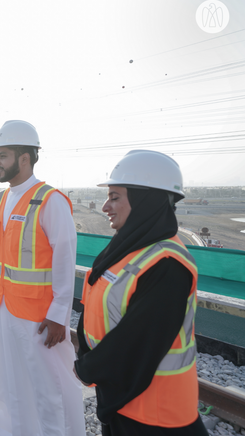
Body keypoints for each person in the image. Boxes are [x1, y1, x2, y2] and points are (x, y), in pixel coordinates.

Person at [74, 150, 208, 436]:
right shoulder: (131, 249)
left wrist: (85, 368)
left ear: (145, 201)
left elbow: (136, 343)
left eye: (114, 197)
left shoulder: (168, 265)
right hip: (122, 398)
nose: (105, 207)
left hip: (157, 415)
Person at [0, 120, 85, 435]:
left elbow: (65, 261)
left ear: (24, 158)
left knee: (51, 388)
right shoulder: (1, 200)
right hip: (3, 307)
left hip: (39, 317)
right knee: (9, 380)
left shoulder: (50, 200)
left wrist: (59, 316)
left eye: (2, 155)